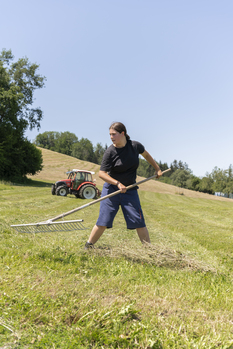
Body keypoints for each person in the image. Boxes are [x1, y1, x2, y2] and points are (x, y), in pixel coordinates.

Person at [85, 122, 162, 249]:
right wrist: (117, 183)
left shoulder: (135, 146)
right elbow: (102, 174)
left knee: (139, 221)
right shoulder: (110, 151)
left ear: (123, 133)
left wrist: (157, 168)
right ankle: (89, 245)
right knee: (104, 220)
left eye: (114, 134)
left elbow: (146, 155)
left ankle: (149, 250)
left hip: (130, 190)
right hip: (111, 190)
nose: (111, 137)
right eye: (110, 134)